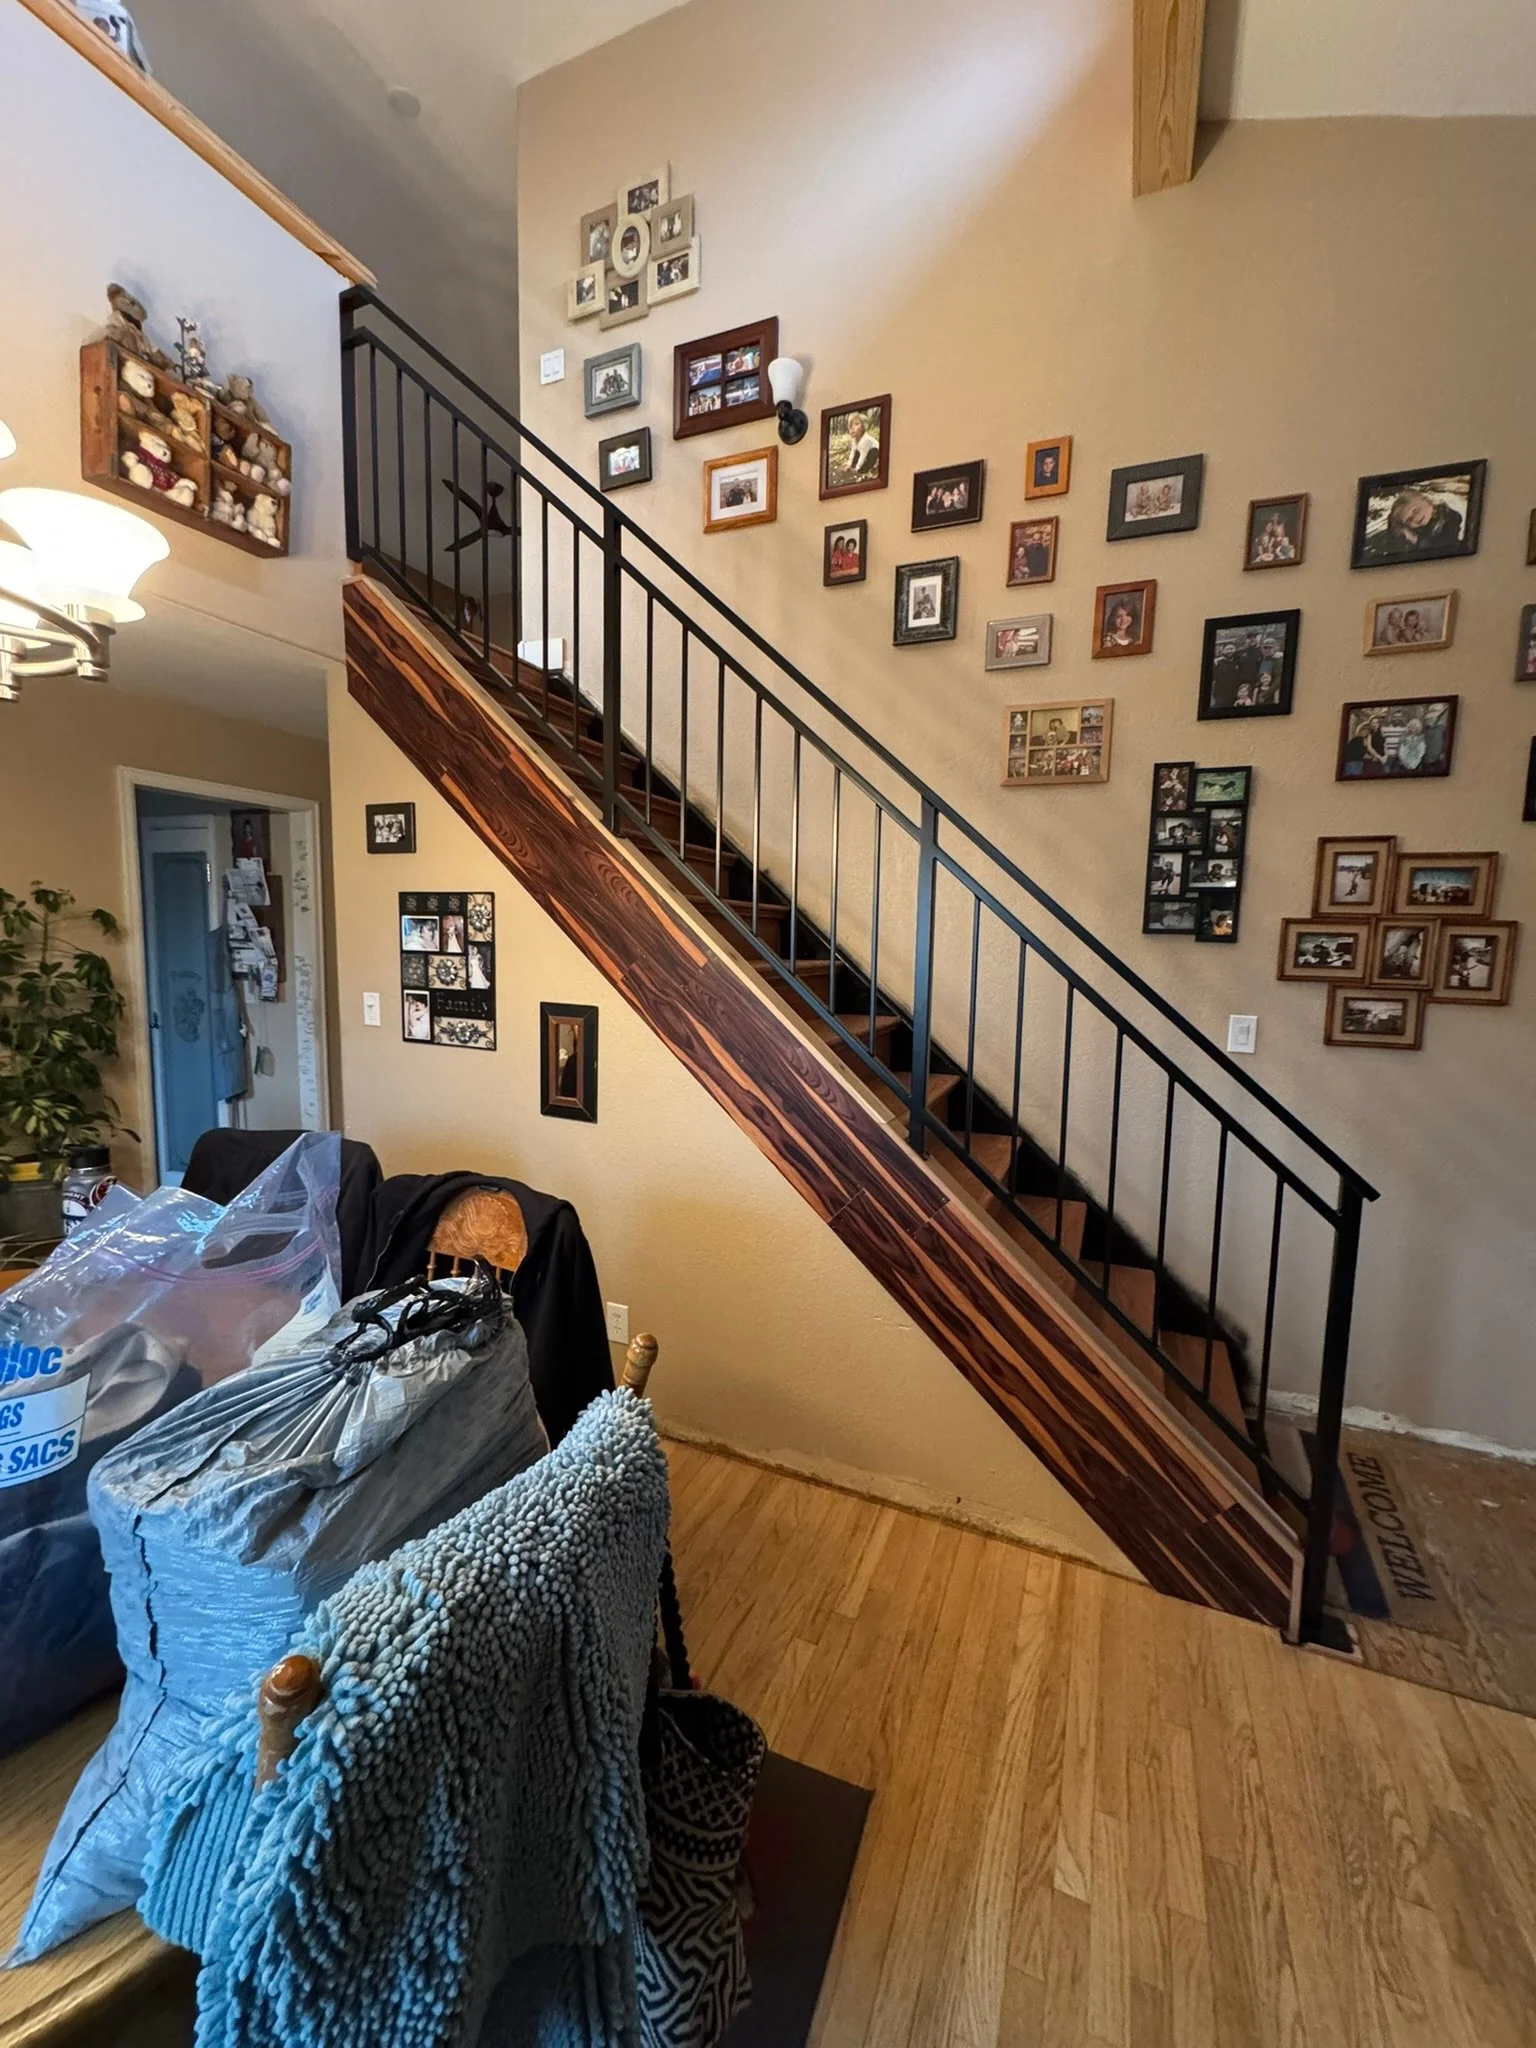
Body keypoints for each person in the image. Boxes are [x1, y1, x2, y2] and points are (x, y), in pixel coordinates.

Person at [1364, 488, 1463, 562]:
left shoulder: (1451, 517)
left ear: (1427, 501)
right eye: (1408, 520)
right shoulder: (1411, 531)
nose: (1415, 518)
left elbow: (1444, 548)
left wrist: (1415, 539)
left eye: (1415, 511)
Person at [838, 412, 880, 481]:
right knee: (856, 453)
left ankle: (864, 470)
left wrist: (858, 468)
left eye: (857, 424)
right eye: (851, 426)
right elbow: (853, 451)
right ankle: (853, 467)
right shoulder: (855, 440)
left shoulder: (866, 440)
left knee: (873, 454)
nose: (853, 427)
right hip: (863, 452)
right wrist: (849, 463)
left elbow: (863, 455)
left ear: (864, 426)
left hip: (874, 452)